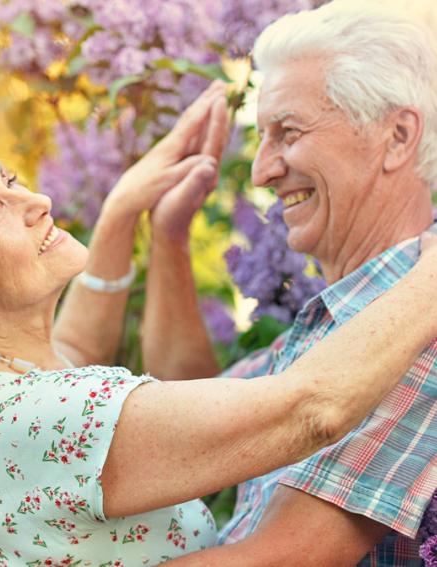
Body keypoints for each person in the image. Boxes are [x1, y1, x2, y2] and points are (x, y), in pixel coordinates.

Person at [0, 16, 436, 566]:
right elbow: (304, 408)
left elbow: (174, 400)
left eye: (12, 180)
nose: (260, 171)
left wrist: (144, 225)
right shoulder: (400, 321)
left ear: (398, 137)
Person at [135, 1, 437, 565]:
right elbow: (191, 423)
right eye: (261, 137)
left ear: (397, 136)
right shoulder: (339, 319)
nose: (260, 171)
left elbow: (274, 559)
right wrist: (169, 238)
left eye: (288, 133)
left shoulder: (412, 326)